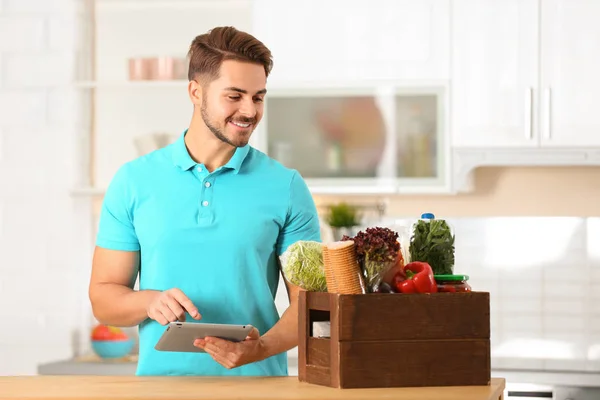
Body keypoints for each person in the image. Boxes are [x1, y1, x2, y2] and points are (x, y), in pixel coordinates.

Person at [88, 26, 321, 376]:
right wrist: (149, 301)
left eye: (258, 97)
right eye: (235, 95)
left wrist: (262, 349)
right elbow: (103, 298)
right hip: (162, 389)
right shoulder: (134, 181)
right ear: (196, 92)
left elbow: (311, 303)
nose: (250, 111)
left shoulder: (286, 186)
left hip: (259, 388)